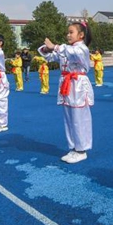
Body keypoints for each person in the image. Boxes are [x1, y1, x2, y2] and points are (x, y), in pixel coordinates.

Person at [39, 22, 95, 164]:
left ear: (81, 35)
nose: (68, 35)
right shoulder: (67, 49)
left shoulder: (81, 49)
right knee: (69, 118)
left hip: (78, 85)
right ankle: (74, 147)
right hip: (67, 85)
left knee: (79, 118)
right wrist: (47, 49)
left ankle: (81, 150)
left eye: (71, 32)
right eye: (67, 32)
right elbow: (51, 57)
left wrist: (56, 47)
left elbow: (72, 52)